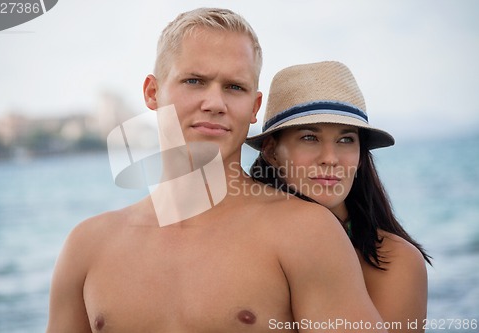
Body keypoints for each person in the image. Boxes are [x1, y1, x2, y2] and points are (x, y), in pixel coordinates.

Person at [46, 9, 388, 332]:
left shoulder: (306, 234)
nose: (214, 103)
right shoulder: (87, 247)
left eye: (234, 87)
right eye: (194, 81)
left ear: (254, 107)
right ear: (152, 92)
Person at [247, 61, 431, 332]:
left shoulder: (396, 261)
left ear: (360, 157)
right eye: (310, 137)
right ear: (272, 151)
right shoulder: (243, 242)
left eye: (346, 140)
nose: (331, 159)